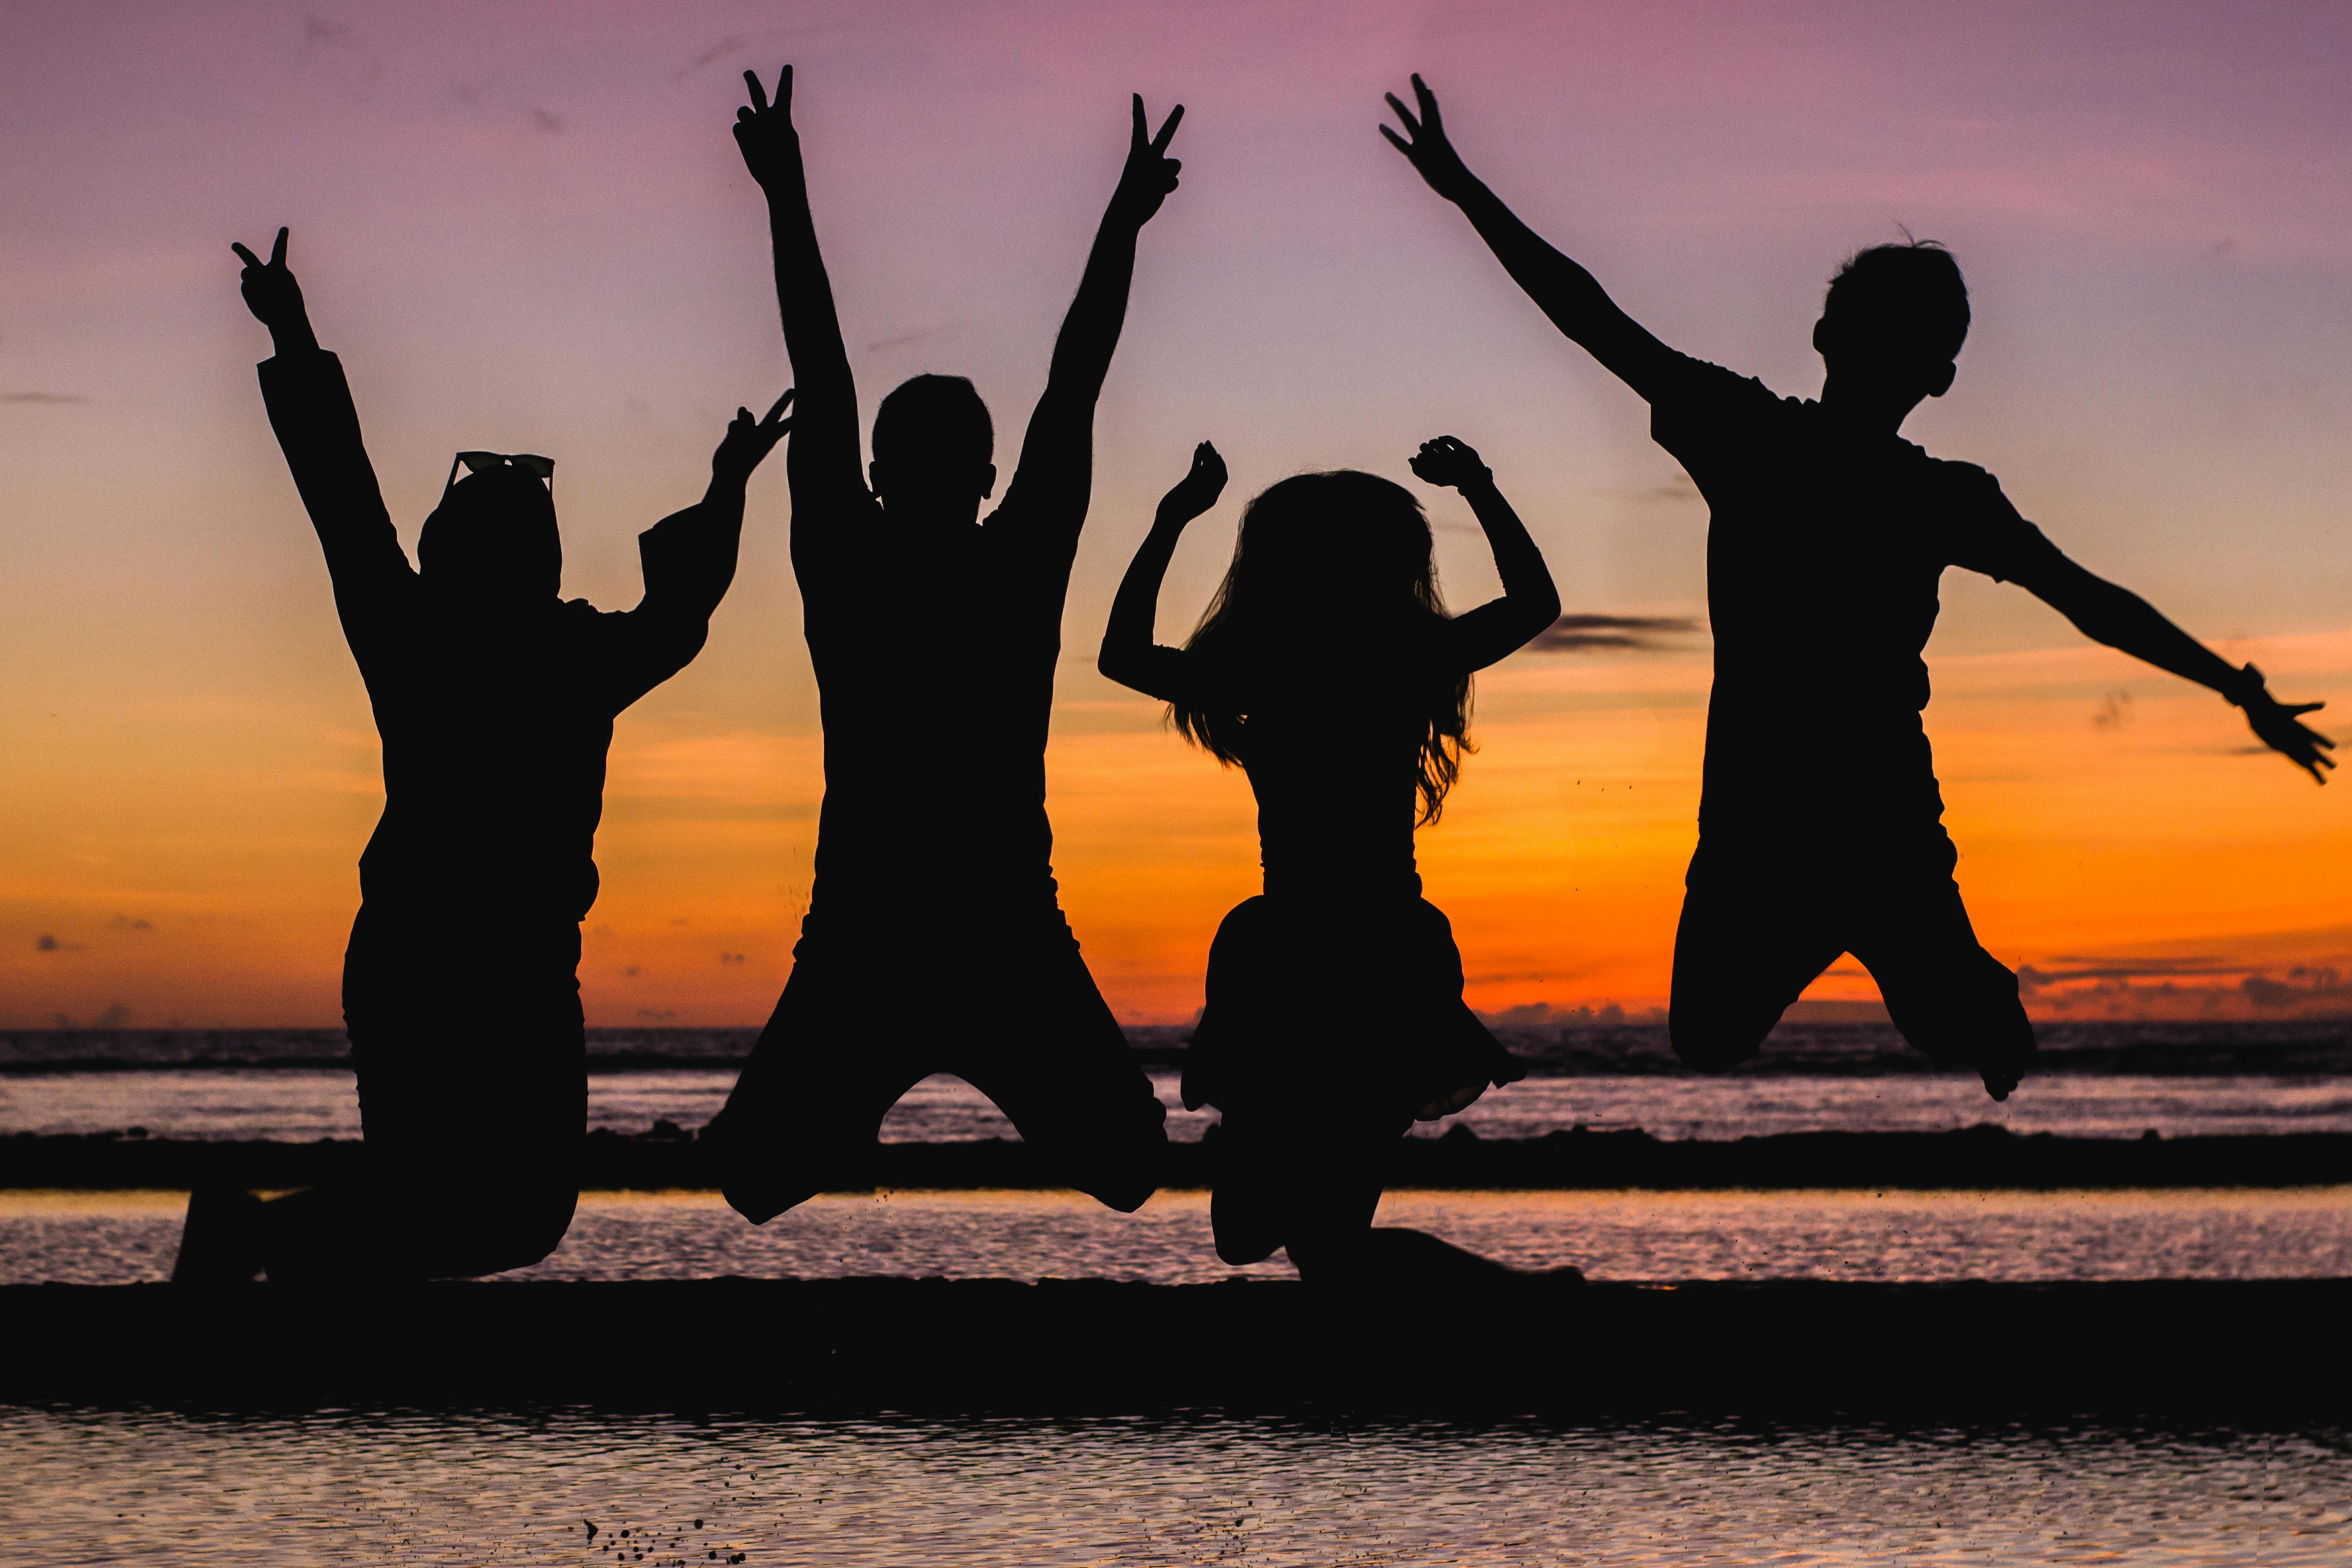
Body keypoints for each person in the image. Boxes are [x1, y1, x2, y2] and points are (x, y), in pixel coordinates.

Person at [1379, 76, 2334, 1101]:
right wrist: (1465, 192)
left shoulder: (1929, 493)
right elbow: (1590, 319)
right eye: (1871, 326)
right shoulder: (1749, 435)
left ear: (1927, 376)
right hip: (1756, 826)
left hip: (1881, 822)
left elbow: (2087, 600)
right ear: (1832, 339)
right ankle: (1928, 969)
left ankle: (1964, 984)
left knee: (1933, 1022)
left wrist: (2231, 683)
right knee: (1704, 1036)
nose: (1878, 349)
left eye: (1905, 340)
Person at [172, 228, 791, 1283]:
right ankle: (257, 1249)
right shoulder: (542, 646)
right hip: (454, 960)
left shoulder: (434, 630)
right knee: (488, 1212)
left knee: (491, 1211)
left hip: (476, 961)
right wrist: (725, 486)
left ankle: (255, 1242)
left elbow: (342, 495)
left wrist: (292, 329)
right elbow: (677, 613)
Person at [701, 69, 1181, 1220]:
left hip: (968, 926)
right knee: (755, 1177)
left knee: (1125, 1165)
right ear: (984, 474)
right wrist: (1119, 225)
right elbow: (1072, 380)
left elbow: (827, 365)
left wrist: (785, 189)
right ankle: (858, 1098)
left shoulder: (872, 553)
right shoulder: (991, 556)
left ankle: (860, 1098)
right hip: (913, 928)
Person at [1098, 436, 1561, 1282]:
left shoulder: (1283, 672)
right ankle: (1516, 1304)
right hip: (1357, 953)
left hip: (1331, 956)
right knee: (1275, 1239)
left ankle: (1522, 1303)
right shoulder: (1385, 662)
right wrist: (1480, 487)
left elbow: (1121, 654)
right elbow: (1534, 602)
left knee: (1311, 1245)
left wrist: (1172, 520)